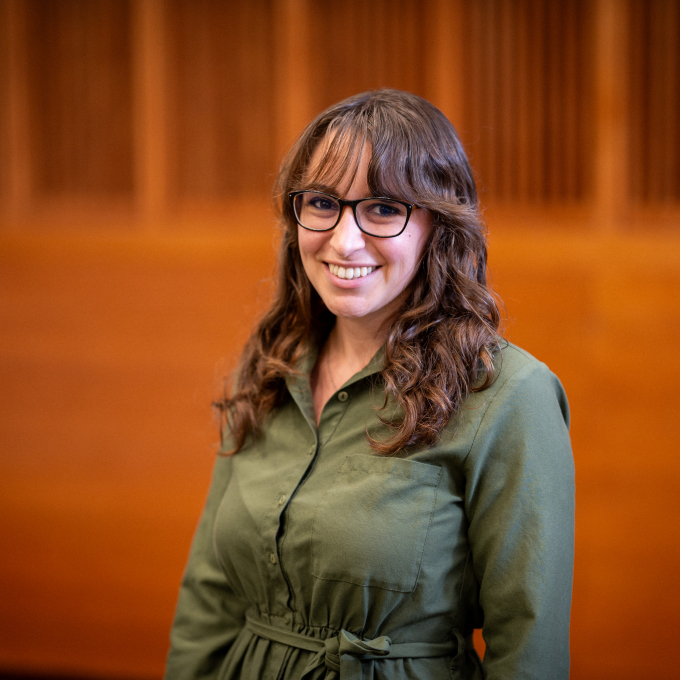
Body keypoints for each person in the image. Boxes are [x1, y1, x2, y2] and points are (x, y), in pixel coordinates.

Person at [164, 89, 574, 680]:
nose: (344, 240)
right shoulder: (269, 370)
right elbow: (210, 600)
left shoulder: (510, 396)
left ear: (440, 224)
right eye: (323, 203)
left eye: (383, 208)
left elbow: (528, 648)